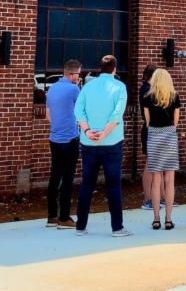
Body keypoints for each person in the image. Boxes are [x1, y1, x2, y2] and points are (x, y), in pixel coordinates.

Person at [74, 54, 132, 237]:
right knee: (113, 185)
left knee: (87, 184)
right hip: (112, 143)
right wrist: (105, 133)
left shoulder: (88, 87)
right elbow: (117, 114)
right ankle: (117, 228)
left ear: (100, 68)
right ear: (114, 68)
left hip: (88, 142)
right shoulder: (120, 87)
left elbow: (78, 110)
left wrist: (87, 131)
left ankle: (80, 226)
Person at [141, 68, 181, 230]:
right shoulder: (174, 96)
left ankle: (156, 218)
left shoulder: (147, 97)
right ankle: (168, 219)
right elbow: (176, 121)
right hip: (170, 134)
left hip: (154, 135)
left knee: (156, 180)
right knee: (170, 180)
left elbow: (147, 121)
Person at [45, 59, 82, 228]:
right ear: (73, 74)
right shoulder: (74, 89)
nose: (79, 77)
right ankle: (65, 217)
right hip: (70, 138)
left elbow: (48, 115)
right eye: (78, 74)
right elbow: (81, 110)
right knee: (68, 178)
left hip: (54, 137)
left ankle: (52, 216)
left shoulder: (52, 89)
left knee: (55, 175)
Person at [138, 64, 156, 210]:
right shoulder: (146, 90)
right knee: (150, 163)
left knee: (159, 165)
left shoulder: (149, 88)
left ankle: (159, 197)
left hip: (154, 129)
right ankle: (147, 199)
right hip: (150, 129)